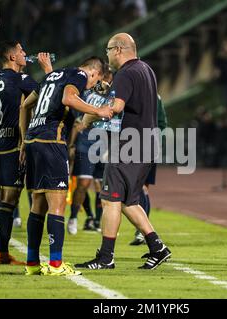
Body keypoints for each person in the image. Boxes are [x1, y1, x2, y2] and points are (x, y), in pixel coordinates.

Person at [75, 33, 171, 270]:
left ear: (118, 49)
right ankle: (158, 248)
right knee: (128, 201)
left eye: (108, 50)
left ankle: (106, 257)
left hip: (129, 146)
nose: (107, 55)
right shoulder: (146, 69)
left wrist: (92, 114)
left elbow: (116, 108)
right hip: (146, 144)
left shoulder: (125, 73)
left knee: (109, 200)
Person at [19, 56, 112, 276]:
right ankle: (55, 264)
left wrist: (23, 140)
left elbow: (24, 106)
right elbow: (69, 99)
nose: (89, 86)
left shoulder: (53, 75)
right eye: (94, 81)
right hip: (52, 141)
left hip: (33, 141)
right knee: (58, 203)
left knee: (38, 204)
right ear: (93, 72)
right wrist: (98, 111)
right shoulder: (80, 75)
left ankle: (32, 263)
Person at [0, 41, 52, 265]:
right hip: (16, 144)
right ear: (12, 57)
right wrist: (47, 70)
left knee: (4, 196)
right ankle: (2, 253)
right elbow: (47, 92)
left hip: (0, 142)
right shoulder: (21, 79)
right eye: (22, 52)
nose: (25, 54)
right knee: (11, 199)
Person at [67, 68, 114, 234]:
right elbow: (78, 122)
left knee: (102, 185)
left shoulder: (114, 95)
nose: (107, 80)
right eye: (105, 76)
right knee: (83, 184)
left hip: (104, 144)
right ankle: (73, 217)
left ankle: (98, 221)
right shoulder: (89, 93)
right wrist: (71, 145)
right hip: (86, 142)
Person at [130, 93, 167, 245]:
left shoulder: (150, 96)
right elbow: (162, 123)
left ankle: (142, 231)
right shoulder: (152, 96)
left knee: (141, 188)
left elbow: (162, 123)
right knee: (140, 188)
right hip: (137, 143)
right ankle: (142, 231)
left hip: (144, 145)